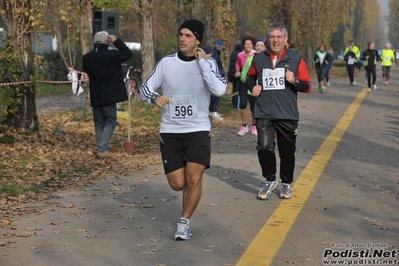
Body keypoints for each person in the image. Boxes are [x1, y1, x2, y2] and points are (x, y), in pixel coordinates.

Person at [139, 19, 226, 241]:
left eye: (188, 35)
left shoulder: (209, 63)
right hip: (170, 130)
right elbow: (145, 88)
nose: (182, 39)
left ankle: (184, 222)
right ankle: (191, 192)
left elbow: (219, 89)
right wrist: (154, 98)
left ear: (198, 40)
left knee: (194, 179)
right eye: (181, 34)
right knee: (178, 184)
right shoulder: (167, 63)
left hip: (198, 129)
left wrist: (204, 64)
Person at [246, 23, 311, 200]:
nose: (275, 40)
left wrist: (294, 80)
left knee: (286, 152)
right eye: (272, 37)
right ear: (268, 39)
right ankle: (270, 179)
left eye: (279, 37)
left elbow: (307, 86)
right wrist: (254, 87)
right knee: (264, 146)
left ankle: (286, 183)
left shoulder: (296, 59)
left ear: (285, 39)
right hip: (264, 112)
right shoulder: (258, 59)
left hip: (287, 114)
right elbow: (249, 77)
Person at [82, 31, 133, 160]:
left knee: (99, 122)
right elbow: (128, 53)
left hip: (96, 94)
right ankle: (103, 149)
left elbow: (87, 69)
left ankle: (101, 148)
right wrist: (116, 41)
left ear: (94, 42)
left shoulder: (87, 57)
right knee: (110, 121)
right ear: (107, 41)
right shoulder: (112, 55)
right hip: (110, 95)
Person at [240, 37, 268, 135]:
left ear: (265, 47)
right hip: (252, 89)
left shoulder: (269, 60)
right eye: (257, 46)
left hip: (266, 90)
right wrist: (250, 83)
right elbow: (243, 75)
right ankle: (255, 125)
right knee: (254, 108)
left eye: (262, 46)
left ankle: (263, 126)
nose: (259, 48)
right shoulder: (250, 60)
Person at [235, 36, 256, 136]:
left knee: (253, 104)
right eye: (246, 44)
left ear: (252, 45)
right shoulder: (240, 55)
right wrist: (237, 71)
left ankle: (254, 125)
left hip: (252, 81)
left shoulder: (256, 54)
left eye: (250, 44)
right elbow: (238, 64)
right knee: (243, 103)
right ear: (243, 45)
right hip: (243, 81)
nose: (248, 46)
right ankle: (244, 125)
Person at [208, 40, 225, 120]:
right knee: (215, 95)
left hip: (215, 76)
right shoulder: (215, 54)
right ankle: (213, 111)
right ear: (219, 46)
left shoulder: (216, 53)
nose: (222, 48)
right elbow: (215, 66)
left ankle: (212, 111)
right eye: (222, 46)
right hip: (215, 77)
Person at [227, 41, 242, 109]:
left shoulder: (234, 52)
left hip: (233, 74)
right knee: (237, 89)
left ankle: (234, 103)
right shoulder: (239, 54)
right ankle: (236, 104)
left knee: (235, 89)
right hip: (236, 74)